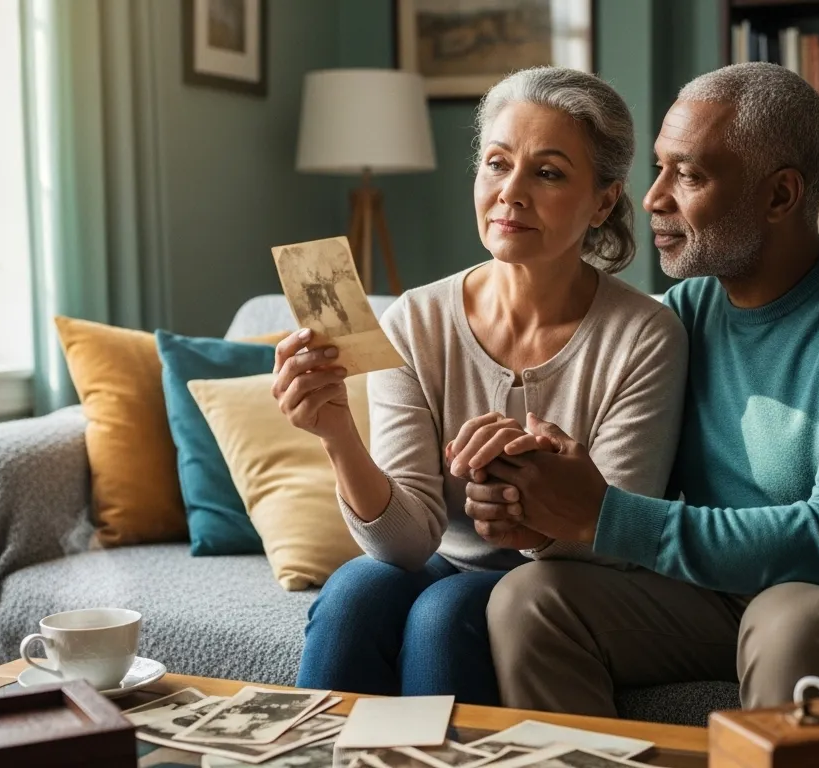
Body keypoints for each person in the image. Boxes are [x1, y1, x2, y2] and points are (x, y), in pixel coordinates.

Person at [463, 62, 819, 716]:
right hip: (718, 593)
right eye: (658, 167)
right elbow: (621, 494)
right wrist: (533, 494)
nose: (651, 199)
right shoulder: (682, 314)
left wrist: (604, 516)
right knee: (530, 598)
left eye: (689, 174)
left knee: (789, 617)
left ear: (780, 195)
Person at [272, 66, 687, 706]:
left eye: (547, 172)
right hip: (441, 559)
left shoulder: (645, 334)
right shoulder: (415, 318)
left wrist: (535, 513)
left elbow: (617, 543)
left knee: (444, 612)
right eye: (496, 164)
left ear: (604, 200)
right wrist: (337, 437)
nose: (510, 193)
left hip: (561, 581)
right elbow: (406, 545)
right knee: (356, 591)